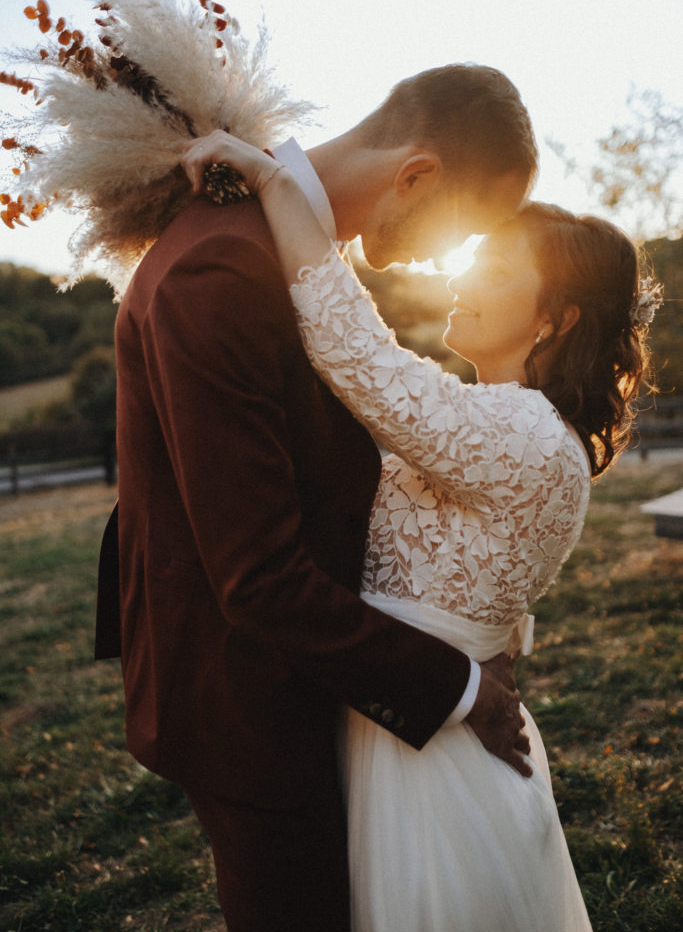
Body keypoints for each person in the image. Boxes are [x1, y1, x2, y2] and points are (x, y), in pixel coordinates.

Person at [177, 128, 658, 932]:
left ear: (556, 319)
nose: (463, 282)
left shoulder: (523, 432)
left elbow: (355, 351)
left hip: (426, 763)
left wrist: (275, 179)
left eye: (496, 271)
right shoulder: (518, 426)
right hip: (418, 713)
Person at [95, 64, 540, 932]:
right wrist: (456, 687)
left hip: (303, 676)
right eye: (462, 227)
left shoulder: (285, 247)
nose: (442, 259)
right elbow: (258, 580)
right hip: (247, 700)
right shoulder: (221, 266)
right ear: (416, 175)